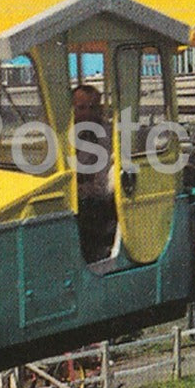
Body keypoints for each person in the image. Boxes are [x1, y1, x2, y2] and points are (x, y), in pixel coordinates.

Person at [72, 84, 117, 262]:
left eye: (92, 107)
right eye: (81, 108)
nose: (87, 113)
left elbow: (103, 184)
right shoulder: (66, 133)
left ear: (99, 108)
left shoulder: (106, 135)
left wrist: (80, 189)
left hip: (97, 203)